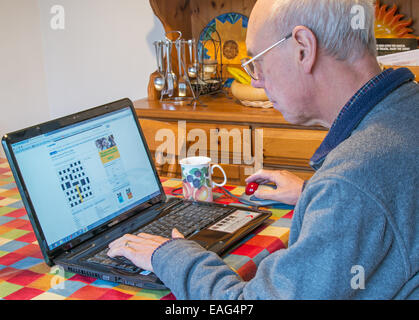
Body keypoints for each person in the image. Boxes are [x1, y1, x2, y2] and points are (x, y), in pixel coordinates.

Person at [107, 0, 419, 299]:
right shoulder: (406, 107)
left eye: (257, 62)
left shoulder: (349, 183)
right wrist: (314, 194)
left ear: (303, 49)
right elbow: (383, 198)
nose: (256, 82)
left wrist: (170, 255)